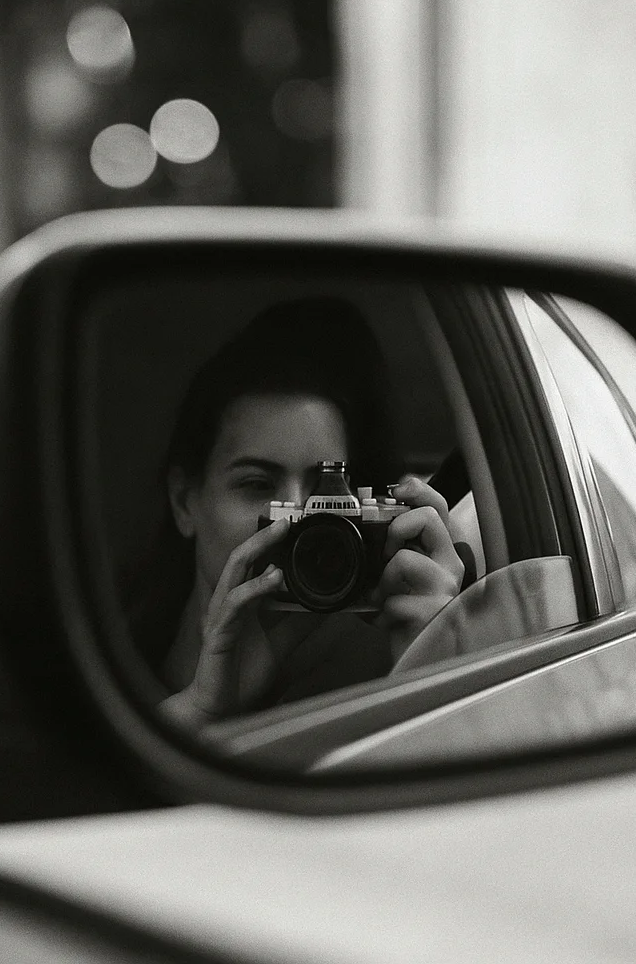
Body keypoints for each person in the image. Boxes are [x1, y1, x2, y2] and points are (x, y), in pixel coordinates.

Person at [122, 298, 469, 729]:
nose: (297, 519)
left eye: (327, 494)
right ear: (183, 502)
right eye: (258, 485)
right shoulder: (100, 657)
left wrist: (432, 663)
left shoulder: (375, 666)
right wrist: (201, 708)